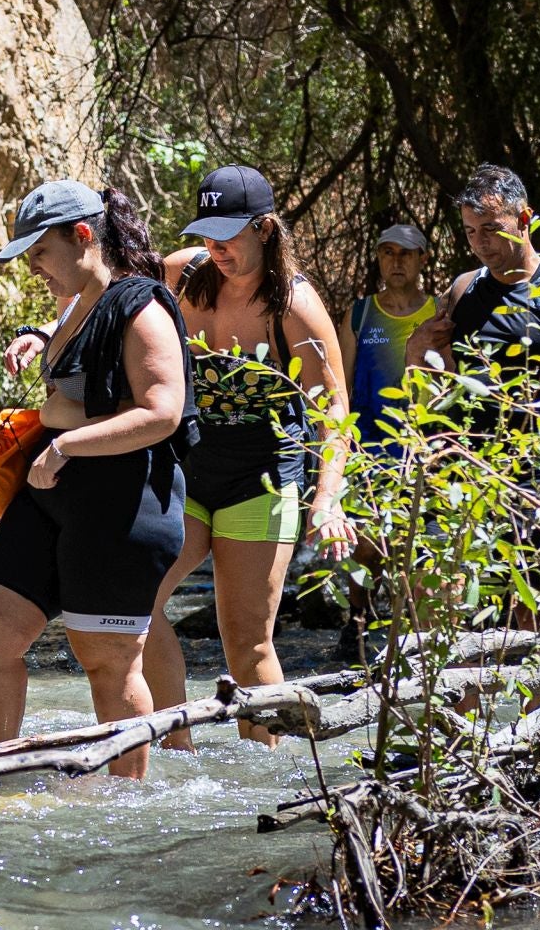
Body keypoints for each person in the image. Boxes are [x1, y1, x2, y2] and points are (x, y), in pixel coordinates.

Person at [0, 181, 191, 780]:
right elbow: (70, 399)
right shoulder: (75, 306)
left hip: (124, 503)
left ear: (83, 236)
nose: (33, 267)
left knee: (109, 663)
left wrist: (65, 444)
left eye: (40, 252)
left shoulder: (140, 305)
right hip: (52, 496)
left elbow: (163, 411)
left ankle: (125, 807)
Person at [152, 165, 354, 748]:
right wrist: (47, 330)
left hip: (262, 481)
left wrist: (328, 497)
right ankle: (177, 755)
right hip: (189, 471)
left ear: (264, 229)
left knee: (247, 642)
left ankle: (263, 775)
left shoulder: (295, 306)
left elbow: (333, 410)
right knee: (134, 606)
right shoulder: (183, 273)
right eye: (207, 234)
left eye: (228, 236)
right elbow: (109, 301)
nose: (215, 248)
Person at [404, 164, 540, 562]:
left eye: (491, 229)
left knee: (527, 596)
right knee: (437, 592)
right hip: (460, 479)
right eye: (470, 231)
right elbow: (432, 393)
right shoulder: (462, 291)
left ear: (524, 219)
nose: (480, 243)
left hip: (536, 482)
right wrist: (415, 351)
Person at [337, 223, 438, 451]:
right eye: (389, 253)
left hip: (422, 445)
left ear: (423, 259)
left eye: (406, 253)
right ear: (379, 258)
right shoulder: (360, 314)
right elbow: (341, 386)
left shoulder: (438, 311)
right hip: (367, 449)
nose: (396, 262)